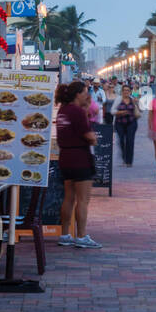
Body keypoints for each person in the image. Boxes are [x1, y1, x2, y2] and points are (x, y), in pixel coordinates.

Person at [55, 82, 102, 249]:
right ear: (77, 94)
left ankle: (65, 234)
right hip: (80, 158)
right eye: (84, 92)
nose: (86, 95)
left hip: (65, 157)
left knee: (68, 197)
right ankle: (81, 236)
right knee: (83, 200)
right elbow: (90, 137)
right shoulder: (77, 111)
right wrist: (93, 138)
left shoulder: (63, 110)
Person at [112, 85, 140, 167]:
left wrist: (137, 103)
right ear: (122, 91)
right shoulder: (118, 99)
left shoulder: (132, 99)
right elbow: (112, 111)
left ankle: (129, 161)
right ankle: (124, 158)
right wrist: (121, 112)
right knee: (121, 141)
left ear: (130, 91)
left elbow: (140, 110)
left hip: (131, 123)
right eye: (124, 90)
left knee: (130, 141)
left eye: (127, 90)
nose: (126, 92)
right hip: (120, 123)